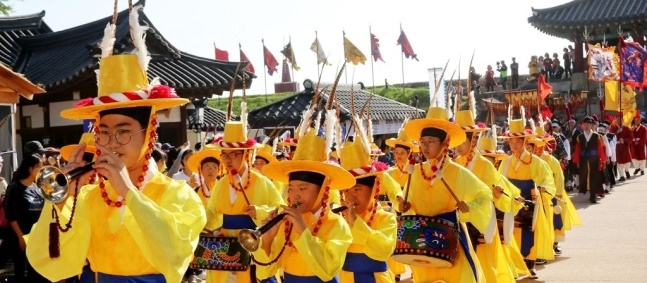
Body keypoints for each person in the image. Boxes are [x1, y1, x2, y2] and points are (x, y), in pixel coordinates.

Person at [25, 9, 206, 282]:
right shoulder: (89, 196)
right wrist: (63, 201)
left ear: (149, 134)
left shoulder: (178, 194)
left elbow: (174, 255)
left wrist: (128, 190)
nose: (111, 143)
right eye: (104, 133)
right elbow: (54, 263)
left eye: (123, 132)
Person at [399, 107, 492, 282]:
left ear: (445, 143)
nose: (425, 146)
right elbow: (407, 199)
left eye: (431, 141)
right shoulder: (416, 172)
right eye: (422, 141)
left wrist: (469, 207)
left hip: (449, 239)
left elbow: (485, 195)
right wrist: (405, 206)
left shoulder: (458, 172)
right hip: (421, 240)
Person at [254, 130, 355, 282]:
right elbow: (264, 273)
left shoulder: (337, 224)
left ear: (321, 191)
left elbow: (328, 270)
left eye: (302, 189)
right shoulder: (286, 224)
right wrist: (267, 239)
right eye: (291, 189)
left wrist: (302, 231)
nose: (295, 195)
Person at [204, 120, 284, 283]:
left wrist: (260, 211)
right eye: (224, 155)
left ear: (246, 154)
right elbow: (212, 213)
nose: (227, 160)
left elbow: (281, 211)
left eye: (233, 154)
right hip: (226, 248)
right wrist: (204, 223)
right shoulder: (221, 183)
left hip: (253, 246)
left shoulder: (261, 181)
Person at [453, 110, 523, 282]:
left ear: (473, 141)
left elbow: (498, 190)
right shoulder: (455, 164)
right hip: (461, 217)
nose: (457, 147)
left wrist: (497, 194)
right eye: (456, 143)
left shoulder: (484, 164)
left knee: (485, 261)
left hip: (481, 217)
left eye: (462, 142)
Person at [497, 111, 556, 279]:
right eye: (511, 141)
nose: (513, 145)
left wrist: (542, 188)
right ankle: (514, 266)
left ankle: (530, 265)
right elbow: (500, 180)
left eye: (517, 141)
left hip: (529, 200)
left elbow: (547, 179)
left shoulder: (536, 162)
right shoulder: (506, 162)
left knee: (529, 232)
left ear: (524, 141)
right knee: (510, 232)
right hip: (511, 201)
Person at [338, 137, 398, 283]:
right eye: (347, 191)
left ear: (373, 190)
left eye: (357, 189)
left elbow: (383, 250)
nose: (351, 196)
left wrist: (356, 223)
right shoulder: (339, 219)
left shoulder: (386, 218)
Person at [4, 154, 48, 282]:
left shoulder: (37, 187)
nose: (42, 169)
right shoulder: (15, 188)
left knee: (35, 272)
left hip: (36, 237)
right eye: (39, 167)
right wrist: (20, 236)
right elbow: (11, 215)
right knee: (21, 271)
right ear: (30, 168)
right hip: (20, 237)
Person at [572, 116, 608, 203]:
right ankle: (589, 192)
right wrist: (577, 161)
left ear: (592, 126)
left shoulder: (597, 136)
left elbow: (600, 148)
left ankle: (593, 195)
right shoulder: (579, 137)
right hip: (584, 160)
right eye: (585, 124)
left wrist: (603, 159)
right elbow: (577, 150)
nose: (586, 126)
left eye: (588, 124)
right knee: (585, 177)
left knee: (594, 177)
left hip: (594, 159)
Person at [612, 117, 634, 181]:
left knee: (627, 161)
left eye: (620, 120)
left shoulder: (627, 128)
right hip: (617, 147)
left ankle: (627, 170)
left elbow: (631, 137)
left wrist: (624, 140)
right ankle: (622, 176)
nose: (619, 121)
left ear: (623, 120)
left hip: (624, 146)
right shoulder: (613, 128)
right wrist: (617, 132)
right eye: (618, 120)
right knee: (619, 162)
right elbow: (610, 136)